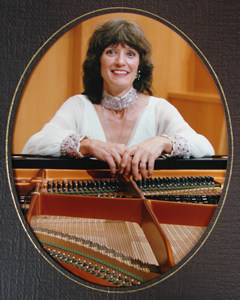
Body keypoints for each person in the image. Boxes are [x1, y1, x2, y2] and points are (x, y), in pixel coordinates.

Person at [22, 18, 214, 180]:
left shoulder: (159, 109)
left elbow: (206, 147)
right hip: (87, 211)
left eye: (130, 54)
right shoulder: (78, 106)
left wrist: (162, 142)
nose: (120, 61)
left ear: (139, 66)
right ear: (98, 61)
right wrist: (87, 144)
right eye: (111, 52)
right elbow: (32, 146)